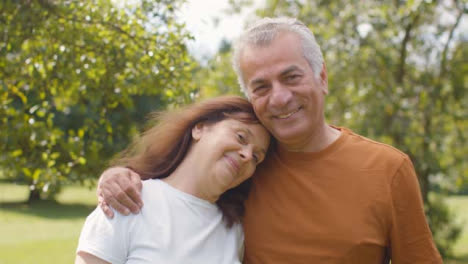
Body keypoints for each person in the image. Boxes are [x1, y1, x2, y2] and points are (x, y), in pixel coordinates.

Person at [97, 17, 443, 263]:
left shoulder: (388, 169)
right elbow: (179, 195)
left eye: (291, 77)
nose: (279, 98)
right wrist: (118, 176)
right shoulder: (244, 167)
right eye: (261, 87)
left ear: (322, 77)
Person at [75, 96, 271, 264]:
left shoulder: (233, 231)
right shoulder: (126, 199)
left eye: (256, 157)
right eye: (241, 137)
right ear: (200, 128)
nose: (247, 154)